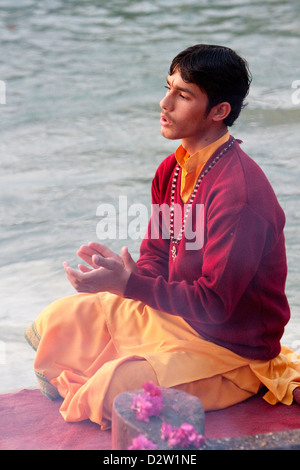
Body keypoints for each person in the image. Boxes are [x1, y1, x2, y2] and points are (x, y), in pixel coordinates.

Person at [25, 44, 300, 430]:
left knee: (116, 391)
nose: (164, 102)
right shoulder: (172, 170)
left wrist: (131, 285)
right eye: (168, 87)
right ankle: (128, 361)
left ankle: (237, 381)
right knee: (56, 322)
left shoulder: (239, 194)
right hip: (178, 318)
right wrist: (126, 278)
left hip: (231, 347)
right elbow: (156, 252)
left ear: (219, 111)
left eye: (183, 95)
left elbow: (216, 305)